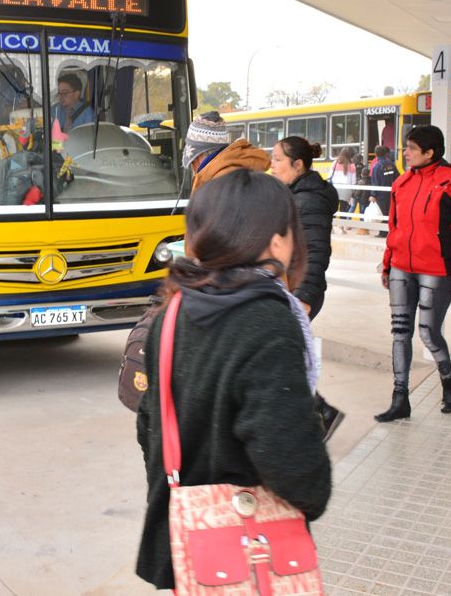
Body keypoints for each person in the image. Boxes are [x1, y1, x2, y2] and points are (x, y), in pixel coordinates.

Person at [135, 169, 331, 591]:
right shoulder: (268, 320)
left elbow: (149, 426)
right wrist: (314, 487)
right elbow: (293, 466)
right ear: (278, 240)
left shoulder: (172, 312)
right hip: (246, 552)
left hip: (187, 544)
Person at [376, 125, 451, 422]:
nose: (405, 153)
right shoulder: (402, 183)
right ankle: (399, 398)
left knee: (429, 333)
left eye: (411, 148)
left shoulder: (450, 182)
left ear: (429, 153)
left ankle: (448, 378)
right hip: (401, 268)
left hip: (436, 268)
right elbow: (394, 229)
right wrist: (387, 262)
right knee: (400, 333)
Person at [269, 135, 344, 438]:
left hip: (300, 291)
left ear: (297, 165)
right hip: (288, 287)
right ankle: (317, 415)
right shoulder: (295, 192)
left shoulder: (308, 199)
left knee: (277, 358)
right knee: (280, 358)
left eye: (277, 159)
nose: (271, 165)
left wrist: (305, 297)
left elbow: (315, 251)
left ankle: (320, 415)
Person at [180, 111, 270, 192]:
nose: (193, 168)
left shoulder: (216, 185)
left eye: (192, 162)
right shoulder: (239, 169)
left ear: (198, 156)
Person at [369, 144, 399, 217]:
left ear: (376, 154)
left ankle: (383, 228)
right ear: (385, 153)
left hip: (381, 196)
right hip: (390, 193)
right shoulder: (391, 164)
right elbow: (398, 178)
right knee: (390, 214)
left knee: (382, 214)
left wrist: (373, 195)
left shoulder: (376, 167)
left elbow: (375, 182)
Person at [329, 147, 357, 223]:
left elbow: (329, 176)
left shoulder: (335, 163)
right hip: (346, 190)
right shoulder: (352, 166)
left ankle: (332, 226)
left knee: (333, 208)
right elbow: (353, 181)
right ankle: (341, 227)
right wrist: (353, 192)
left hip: (335, 188)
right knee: (343, 209)